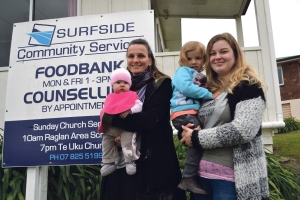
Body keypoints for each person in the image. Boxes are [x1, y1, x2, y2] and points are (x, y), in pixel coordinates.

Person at [180, 33, 269, 200]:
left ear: (235, 54)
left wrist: (197, 137)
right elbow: (196, 122)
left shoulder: (248, 86)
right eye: (212, 53)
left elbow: (243, 130)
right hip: (200, 178)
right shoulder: (206, 89)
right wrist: (185, 133)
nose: (217, 57)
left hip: (233, 179)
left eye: (223, 51)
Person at [100, 38, 186, 200]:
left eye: (141, 55)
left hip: (151, 164)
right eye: (131, 56)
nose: (135, 60)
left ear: (150, 60)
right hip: (121, 163)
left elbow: (151, 120)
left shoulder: (161, 84)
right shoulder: (121, 85)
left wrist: (112, 119)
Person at [170, 41, 218, 195]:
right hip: (183, 113)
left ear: (204, 60)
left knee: (197, 139)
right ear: (183, 60)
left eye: (198, 58)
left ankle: (192, 175)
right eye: (189, 58)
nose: (193, 62)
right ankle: (188, 178)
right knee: (197, 140)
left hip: (191, 113)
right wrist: (210, 95)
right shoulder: (183, 72)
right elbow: (187, 88)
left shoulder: (202, 77)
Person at [99, 68, 143, 177]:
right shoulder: (110, 97)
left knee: (128, 142)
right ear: (112, 85)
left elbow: (139, 106)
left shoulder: (132, 95)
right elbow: (105, 110)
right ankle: (108, 162)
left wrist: (130, 110)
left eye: (125, 82)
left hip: (126, 128)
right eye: (118, 82)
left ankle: (130, 161)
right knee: (106, 142)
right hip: (111, 129)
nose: (122, 85)